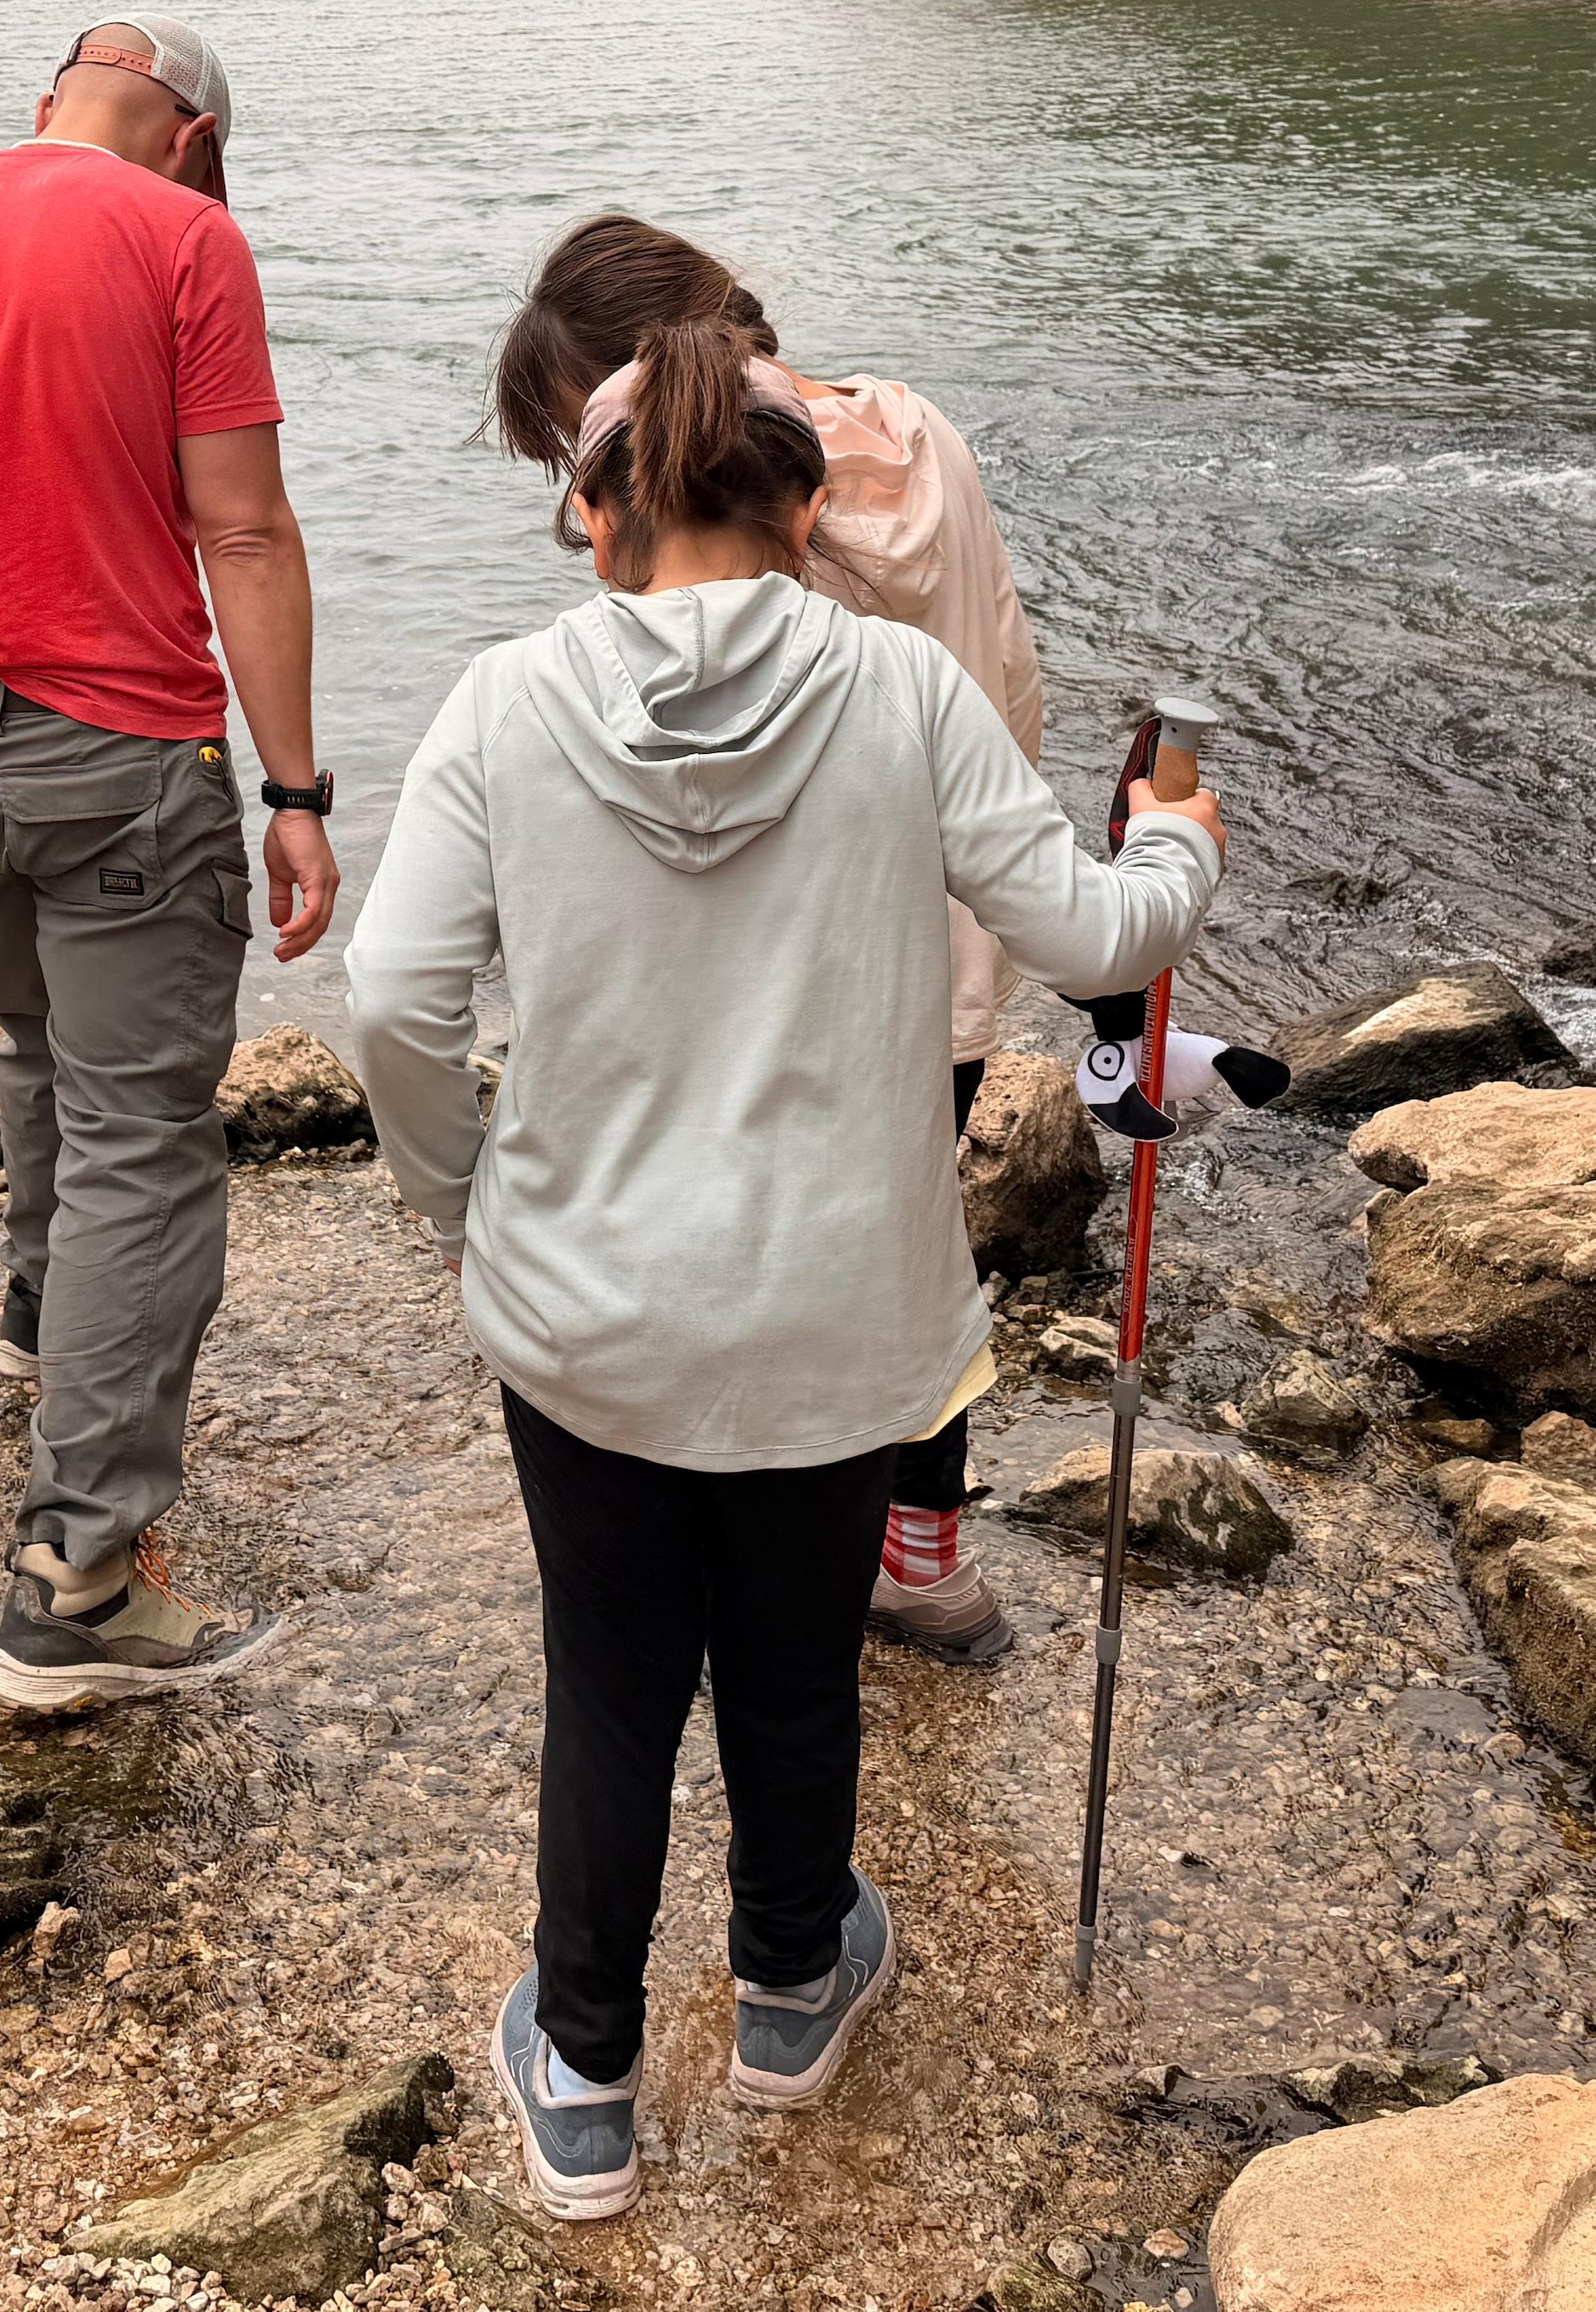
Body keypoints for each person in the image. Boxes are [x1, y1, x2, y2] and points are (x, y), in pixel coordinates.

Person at [347, 319, 1223, 2218]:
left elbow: (395, 1003)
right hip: (843, 1307)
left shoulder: (502, 704)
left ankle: (582, 2074)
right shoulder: (905, 695)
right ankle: (786, 1987)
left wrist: (464, 1203)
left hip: (586, 1314)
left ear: (590, 519)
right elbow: (1089, 935)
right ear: (809, 512)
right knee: (797, 1674)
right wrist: (1178, 847)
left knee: (609, 1678)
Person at [0, 15, 337, 1711]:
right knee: (143, 1140)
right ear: (186, 141)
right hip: (117, 761)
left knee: (35, 1052)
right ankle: (79, 1584)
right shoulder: (186, 236)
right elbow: (239, 526)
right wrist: (296, 786)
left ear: (46, 107)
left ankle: (38, 1332)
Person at [490, 215, 1044, 1663]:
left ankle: (757, 1528)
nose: (590, 489)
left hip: (812, 963)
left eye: (580, 442)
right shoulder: (919, 430)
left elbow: (710, 769)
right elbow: (1011, 662)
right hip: (953, 937)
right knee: (915, 1241)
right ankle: (926, 1561)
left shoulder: (754, 520)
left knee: (782, 1245)